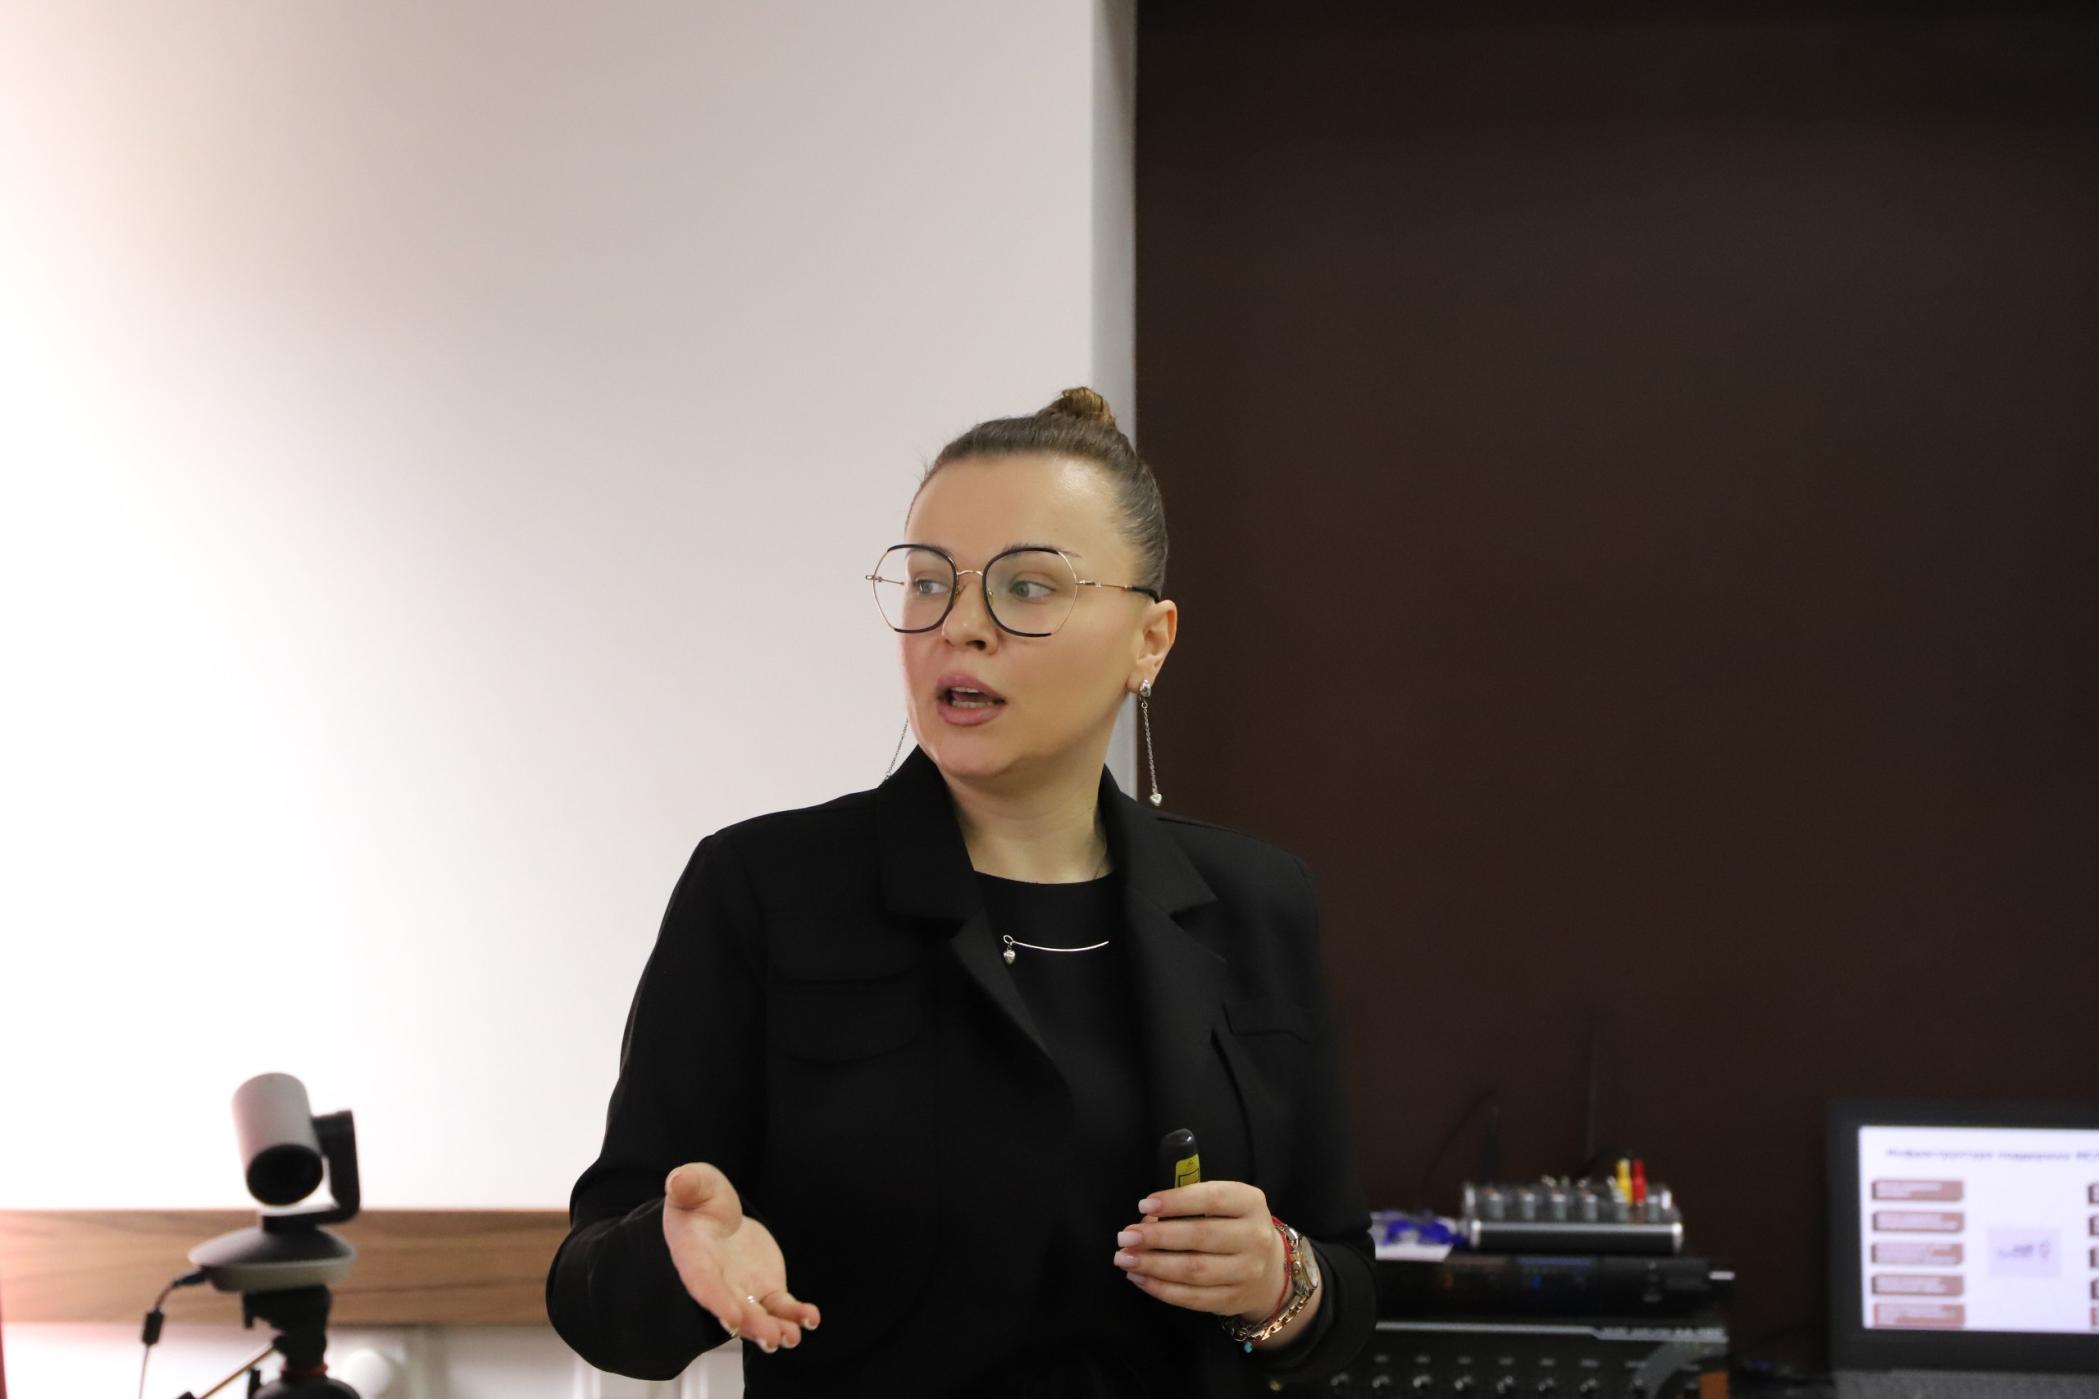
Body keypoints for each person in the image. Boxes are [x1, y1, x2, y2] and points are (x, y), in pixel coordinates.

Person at [546, 388, 1375, 1397]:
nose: (960, 628)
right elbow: (595, 1294)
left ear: (1149, 640)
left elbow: (1341, 1283)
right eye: (930, 584)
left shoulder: (1257, 901)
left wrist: (1282, 1281)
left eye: (1027, 587)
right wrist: (674, 1259)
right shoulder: (761, 888)